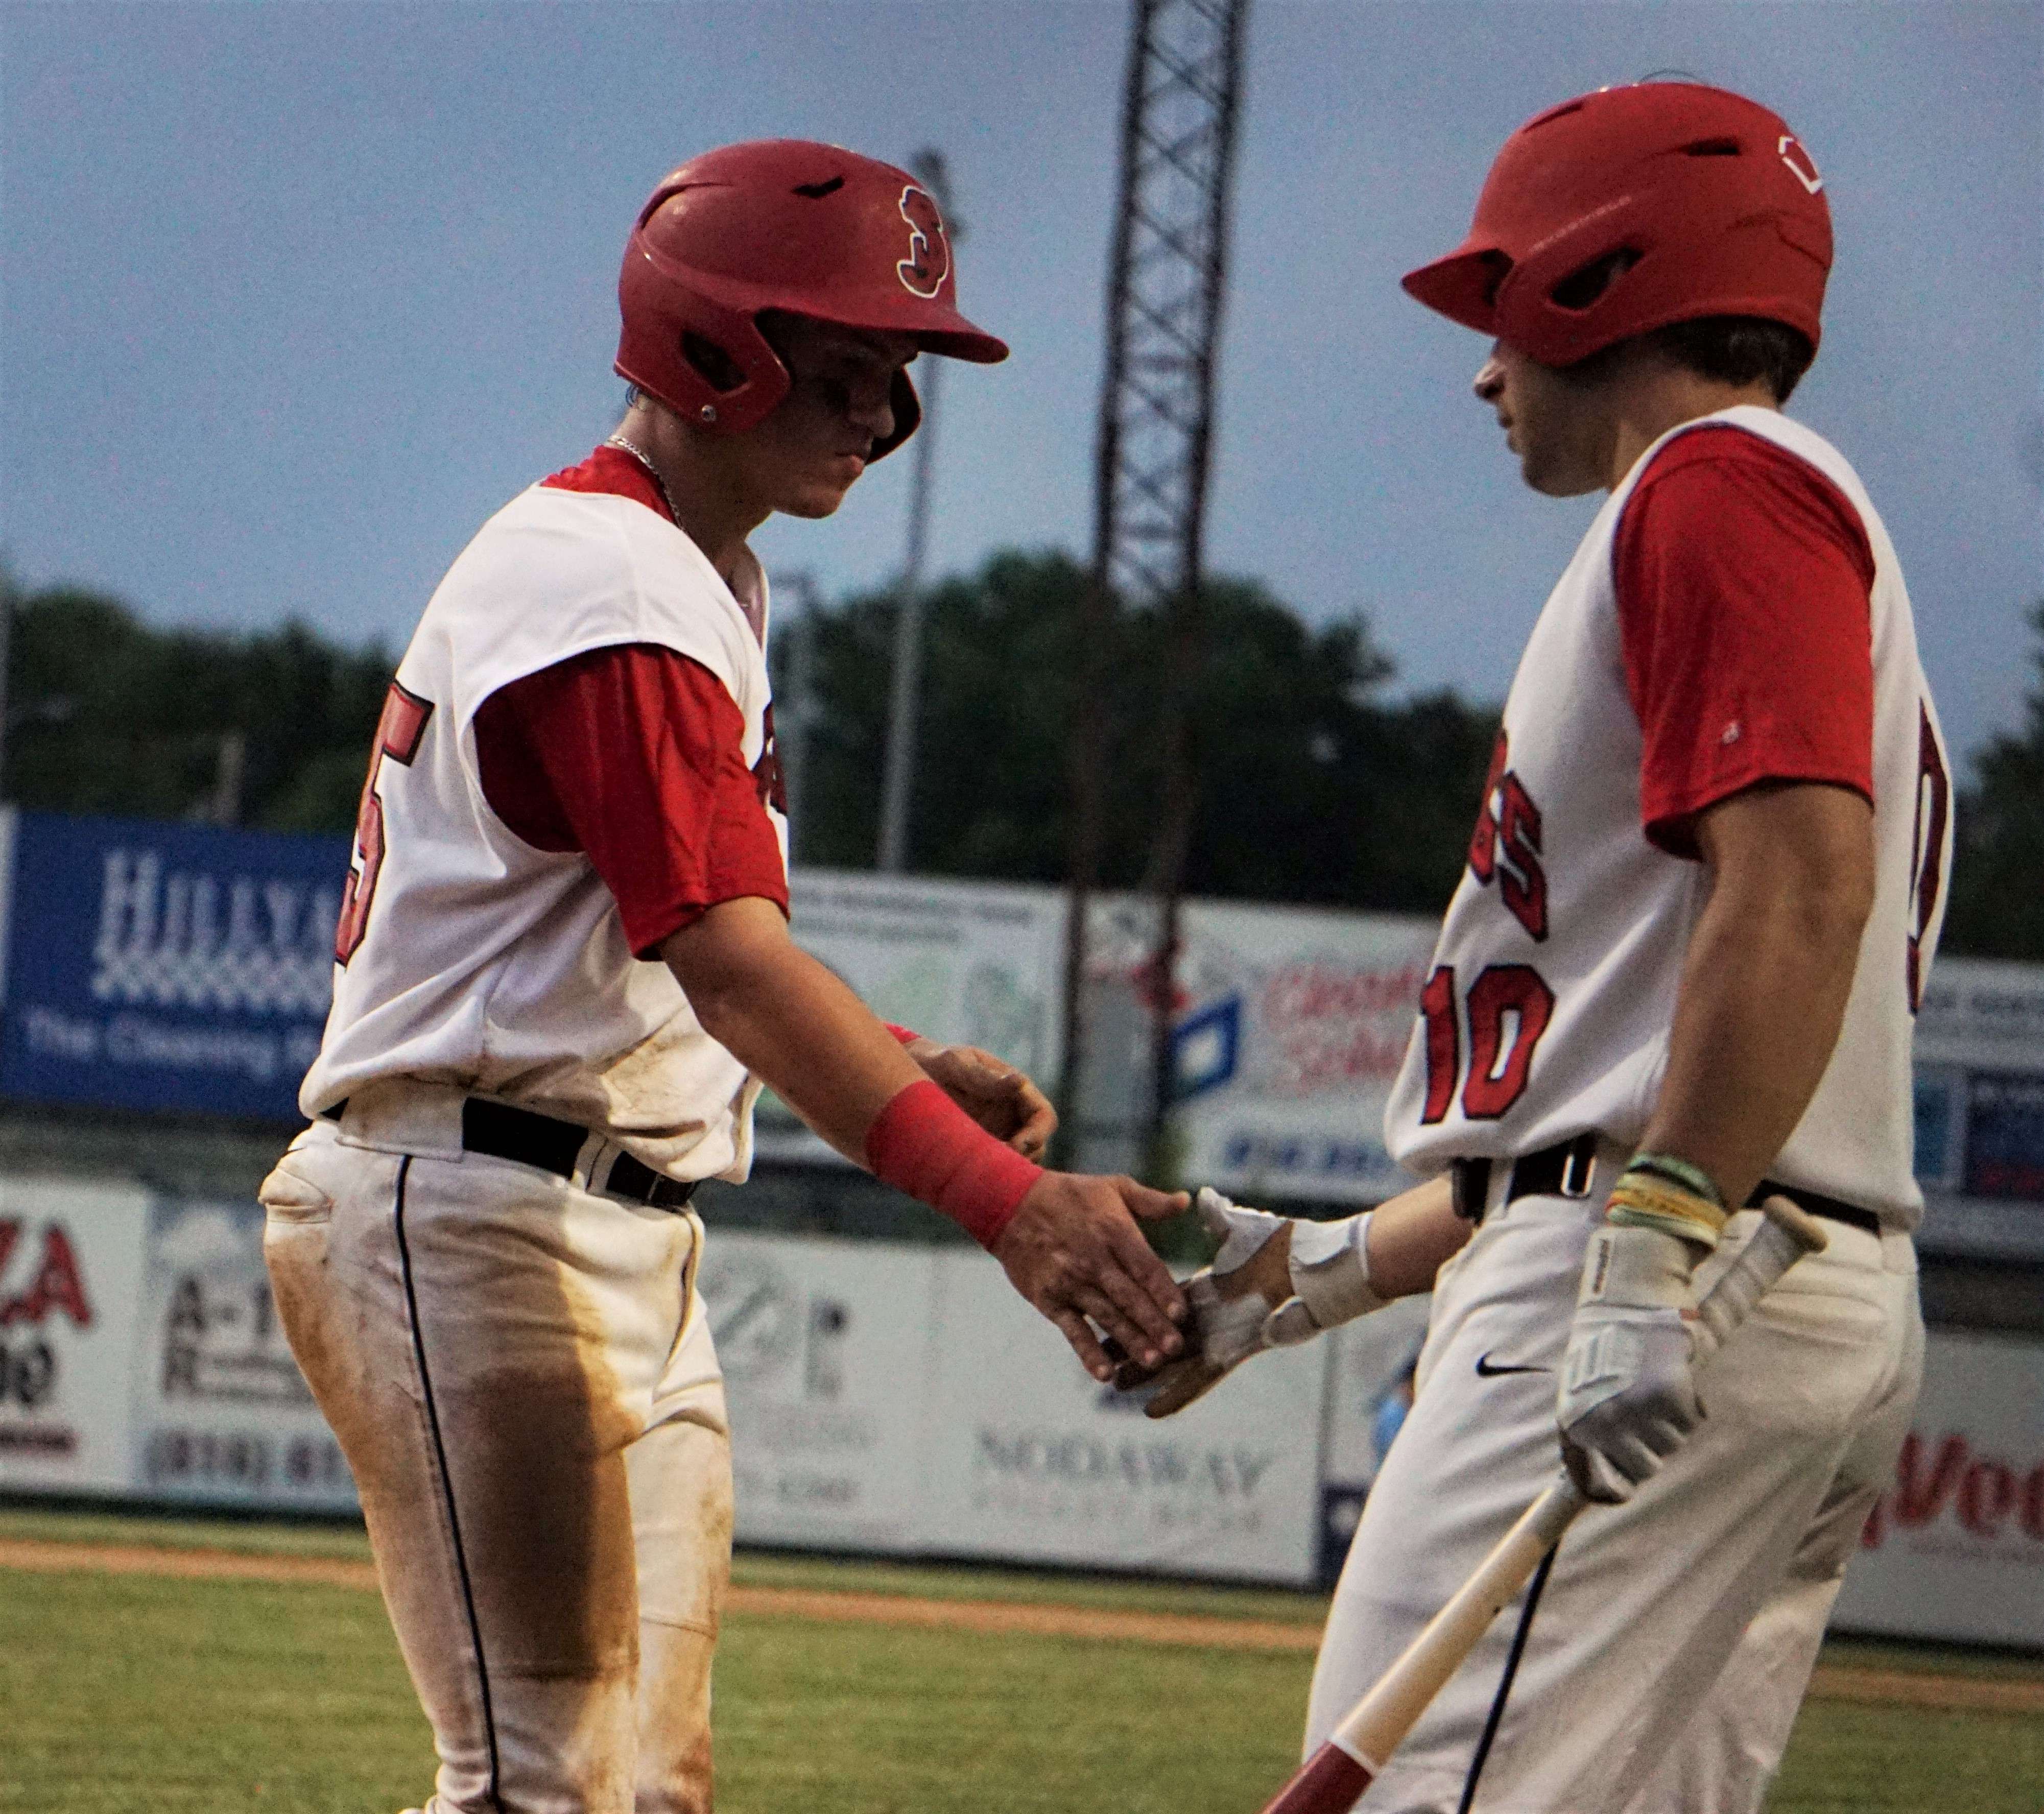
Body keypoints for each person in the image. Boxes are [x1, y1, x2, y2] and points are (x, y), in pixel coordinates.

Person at [259, 139, 1188, 1814]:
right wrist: (1004, 1199)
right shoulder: (612, 580)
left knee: (634, 1788)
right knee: (548, 1783)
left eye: (897, 380)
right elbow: (728, 959)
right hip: (478, 1210)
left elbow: (627, 942)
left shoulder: (682, 569)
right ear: (712, 344)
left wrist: (891, 1056)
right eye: (847, 367)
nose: (880, 418)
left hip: (563, 1200)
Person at [1119, 82, 1948, 1813]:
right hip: (1769, 1277)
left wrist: (1643, 1254)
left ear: (1599, 282)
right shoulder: (1768, 511)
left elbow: (1796, 884)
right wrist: (1315, 1281)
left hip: (1666, 1273)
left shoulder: (1715, 485)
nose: (1483, 364)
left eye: (1503, 303)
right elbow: (1618, 1070)